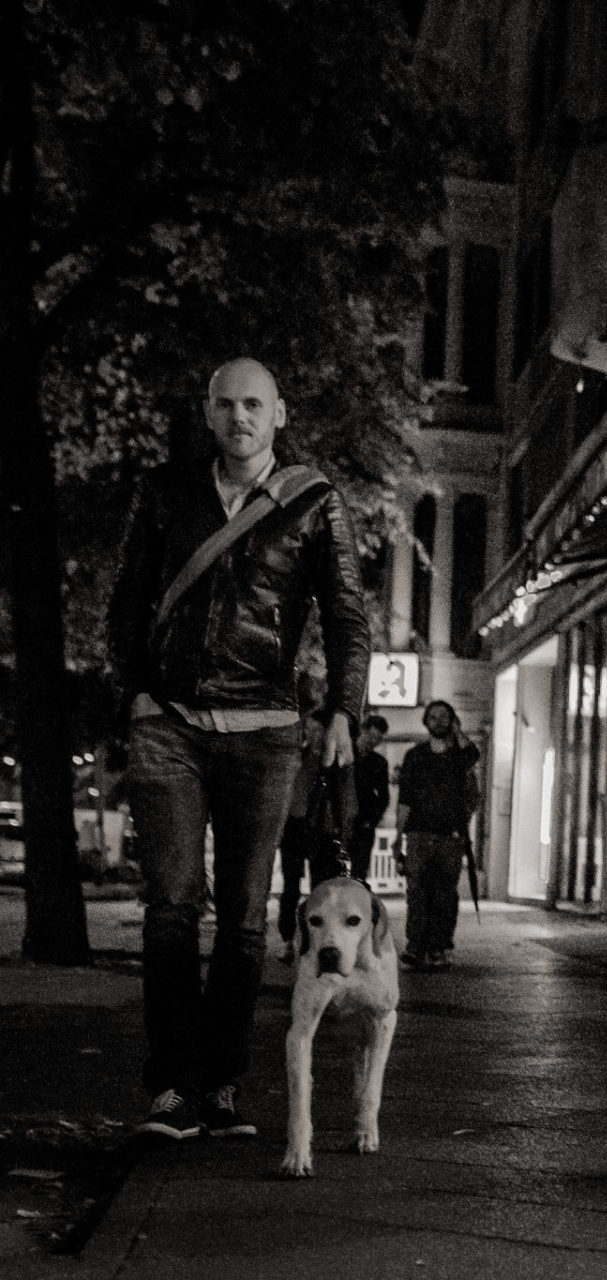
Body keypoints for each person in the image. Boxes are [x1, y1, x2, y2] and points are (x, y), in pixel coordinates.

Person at [107, 357, 369, 1141]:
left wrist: (344, 713)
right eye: (225, 404)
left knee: (247, 922)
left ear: (279, 414)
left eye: (253, 404)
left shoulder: (315, 503)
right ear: (208, 412)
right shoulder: (163, 492)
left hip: (265, 732)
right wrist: (136, 693)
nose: (239, 417)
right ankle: (170, 1089)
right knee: (170, 910)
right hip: (172, 726)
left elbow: (348, 615)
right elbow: (126, 597)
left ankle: (219, 1086)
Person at [395, 701, 479, 971]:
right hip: (418, 834)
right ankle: (415, 947)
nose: (438, 721)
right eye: (433, 717)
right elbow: (405, 798)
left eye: (444, 717)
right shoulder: (415, 756)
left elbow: (474, 754)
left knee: (445, 893)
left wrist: (459, 732)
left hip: (450, 836)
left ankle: (440, 947)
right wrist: (398, 835)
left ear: (453, 721)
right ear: (425, 721)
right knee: (416, 892)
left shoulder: (459, 755)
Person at [276, 695, 335, 965]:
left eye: (317, 731)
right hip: (293, 825)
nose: (313, 734)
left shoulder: (326, 762)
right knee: (291, 886)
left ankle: (316, 941)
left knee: (319, 888)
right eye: (309, 729)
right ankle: (288, 939)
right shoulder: (292, 758)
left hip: (318, 826)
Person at [347, 715, 391, 881]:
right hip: (343, 818)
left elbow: (384, 796)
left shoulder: (379, 763)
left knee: (359, 870)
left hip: (363, 823)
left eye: (378, 739)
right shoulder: (346, 753)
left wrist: (371, 820)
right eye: (372, 736)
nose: (374, 742)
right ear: (363, 731)